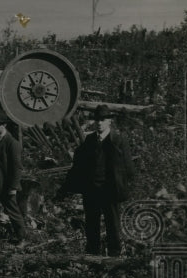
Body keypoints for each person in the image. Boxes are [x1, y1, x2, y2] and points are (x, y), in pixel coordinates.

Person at [58, 105, 135, 256]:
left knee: (112, 224)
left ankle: (114, 255)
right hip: (92, 190)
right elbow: (80, 164)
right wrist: (69, 186)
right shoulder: (90, 140)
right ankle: (92, 255)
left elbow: (129, 168)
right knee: (92, 224)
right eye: (97, 120)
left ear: (109, 122)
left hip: (110, 190)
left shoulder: (118, 140)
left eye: (102, 120)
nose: (99, 123)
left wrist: (122, 186)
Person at [0, 108, 27, 242]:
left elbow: (16, 167)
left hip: (6, 186)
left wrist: (13, 187)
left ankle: (22, 239)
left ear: (4, 125)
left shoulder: (12, 143)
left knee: (13, 212)